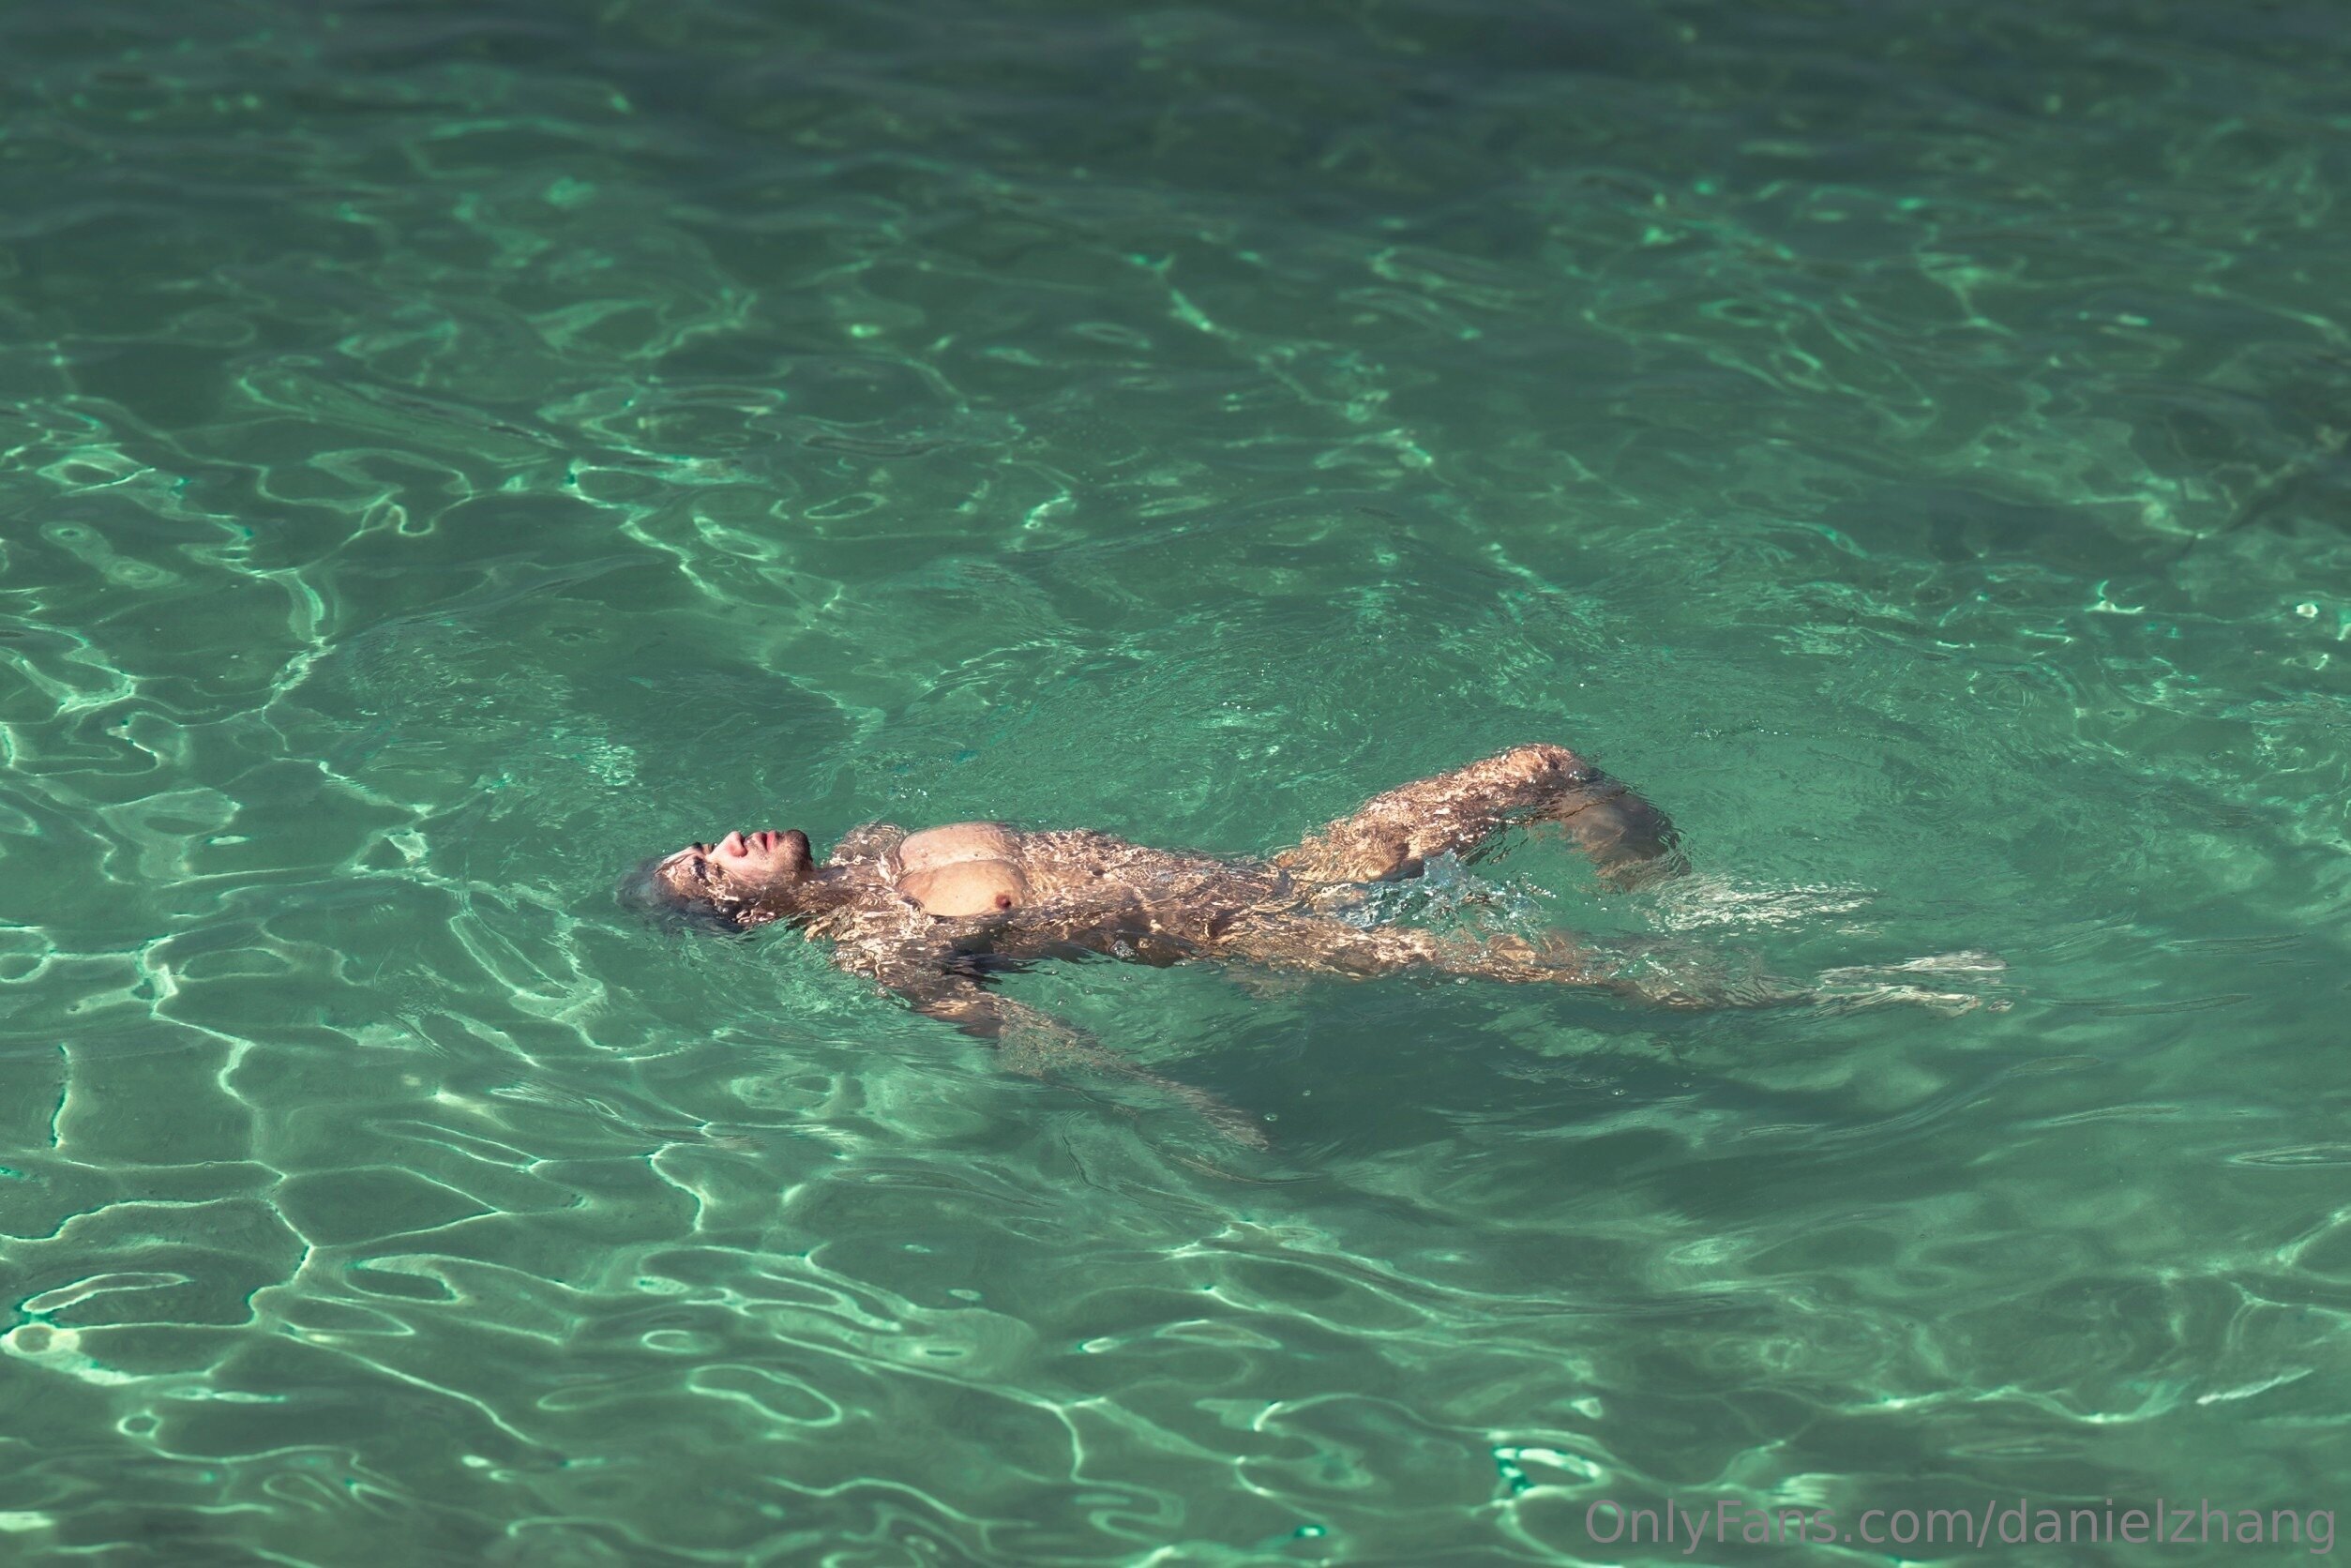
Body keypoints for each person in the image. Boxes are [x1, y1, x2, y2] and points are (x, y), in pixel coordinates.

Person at [638, 745, 1982, 1140]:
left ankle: (1686, 898)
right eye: (702, 869)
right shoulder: (879, 947)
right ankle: (1861, 994)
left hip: (1289, 875)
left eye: (702, 841)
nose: (720, 841)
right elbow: (1023, 1037)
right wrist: (1177, 1102)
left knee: (1546, 767)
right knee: (1578, 974)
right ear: (739, 914)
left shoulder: (882, 842)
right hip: (1270, 940)